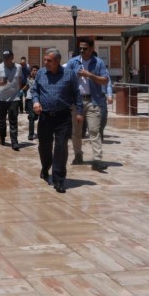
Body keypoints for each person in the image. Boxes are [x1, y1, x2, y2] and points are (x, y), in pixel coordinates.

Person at [30, 48, 83, 194]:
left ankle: (59, 179)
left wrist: (80, 111)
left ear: (58, 61)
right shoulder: (41, 73)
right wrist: (35, 101)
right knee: (44, 146)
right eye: (45, 60)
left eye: (49, 60)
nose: (45, 62)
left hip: (63, 117)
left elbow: (76, 93)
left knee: (61, 147)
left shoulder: (69, 74)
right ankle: (45, 166)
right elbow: (34, 90)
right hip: (45, 116)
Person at [66, 37, 110, 171]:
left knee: (94, 130)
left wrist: (89, 75)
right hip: (76, 102)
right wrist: (75, 76)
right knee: (76, 132)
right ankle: (78, 155)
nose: (82, 50)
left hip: (93, 101)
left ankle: (97, 160)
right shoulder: (73, 62)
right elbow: (65, 79)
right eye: (80, 48)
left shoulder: (98, 62)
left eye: (85, 48)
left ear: (91, 49)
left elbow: (105, 80)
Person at [0, 50, 23, 150]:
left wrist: (18, 92)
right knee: (2, 120)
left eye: (8, 58)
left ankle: (14, 142)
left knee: (13, 119)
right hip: (1, 98)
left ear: (12, 57)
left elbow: (19, 80)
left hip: (14, 98)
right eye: (4, 58)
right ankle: (2, 137)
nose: (6, 59)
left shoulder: (18, 67)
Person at [24, 66, 40, 140]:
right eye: (33, 70)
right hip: (30, 98)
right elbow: (27, 86)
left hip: (38, 99)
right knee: (32, 116)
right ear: (31, 71)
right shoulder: (28, 79)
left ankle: (40, 133)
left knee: (38, 116)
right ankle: (31, 134)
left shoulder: (40, 79)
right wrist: (21, 91)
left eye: (36, 70)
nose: (35, 72)